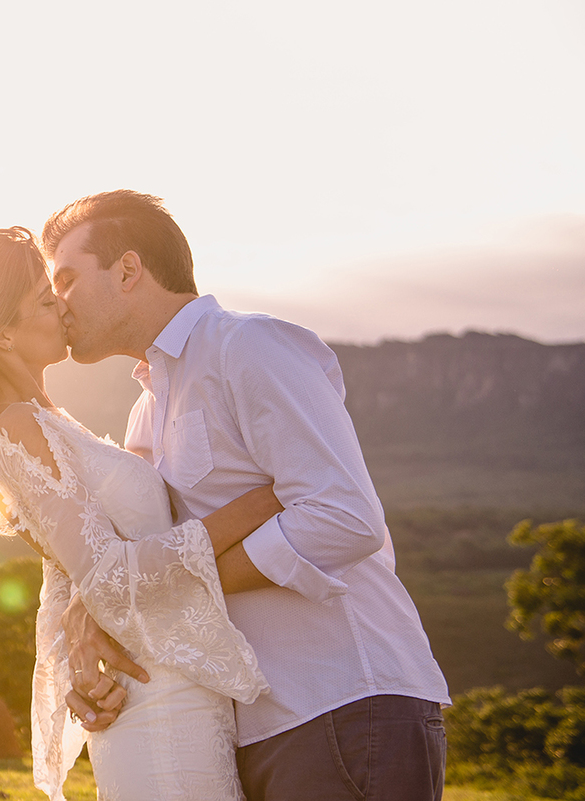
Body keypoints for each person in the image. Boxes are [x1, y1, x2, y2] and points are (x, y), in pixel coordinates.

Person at [40, 190, 450, 801]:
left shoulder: (248, 347)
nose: (57, 303)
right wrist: (95, 622)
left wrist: (185, 581)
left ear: (127, 270)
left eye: (67, 278)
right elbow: (136, 566)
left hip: (342, 699)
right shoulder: (147, 411)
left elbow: (344, 516)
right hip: (244, 723)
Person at [0, 227, 282, 800]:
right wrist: (265, 499)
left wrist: (78, 659)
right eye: (42, 298)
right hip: (156, 706)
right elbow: (105, 576)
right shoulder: (14, 429)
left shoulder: (43, 419)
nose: (61, 305)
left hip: (170, 688)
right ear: (3, 333)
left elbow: (70, 576)